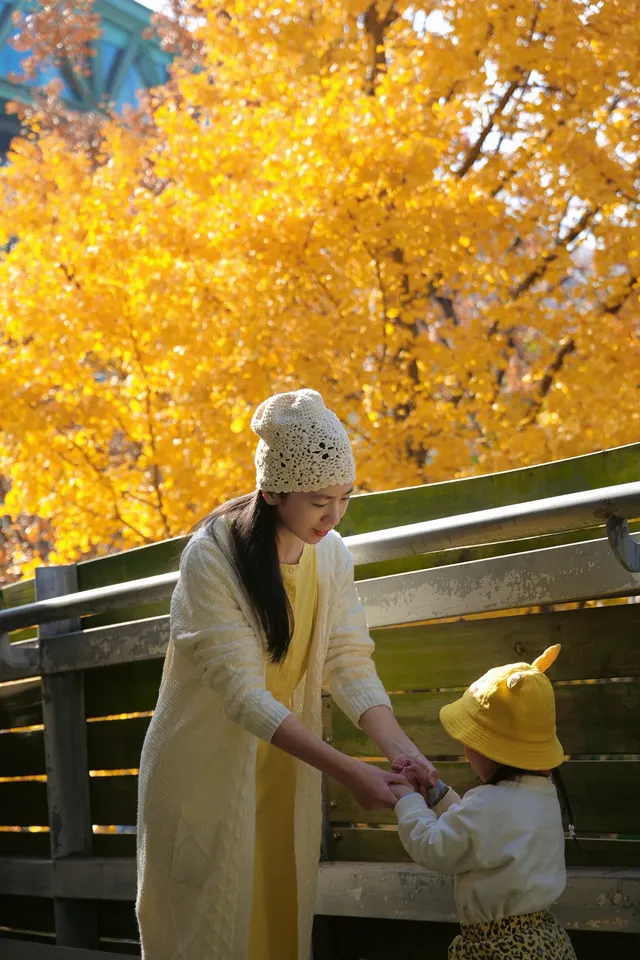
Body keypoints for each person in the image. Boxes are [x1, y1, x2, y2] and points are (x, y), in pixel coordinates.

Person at [136, 388, 436, 960]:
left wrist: (403, 751)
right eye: (320, 499)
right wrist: (350, 772)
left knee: (277, 927)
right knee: (207, 935)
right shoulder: (213, 558)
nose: (335, 514)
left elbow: (348, 659)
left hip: (283, 772)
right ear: (273, 491)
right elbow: (244, 697)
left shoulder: (331, 554)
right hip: (207, 778)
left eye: (345, 497)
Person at [390, 644, 578, 959]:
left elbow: (433, 846)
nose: (465, 748)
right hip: (546, 941)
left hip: (500, 950)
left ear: (489, 750)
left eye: (469, 739)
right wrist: (435, 794)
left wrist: (407, 800)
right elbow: (480, 834)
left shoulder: (490, 805)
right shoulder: (541, 794)